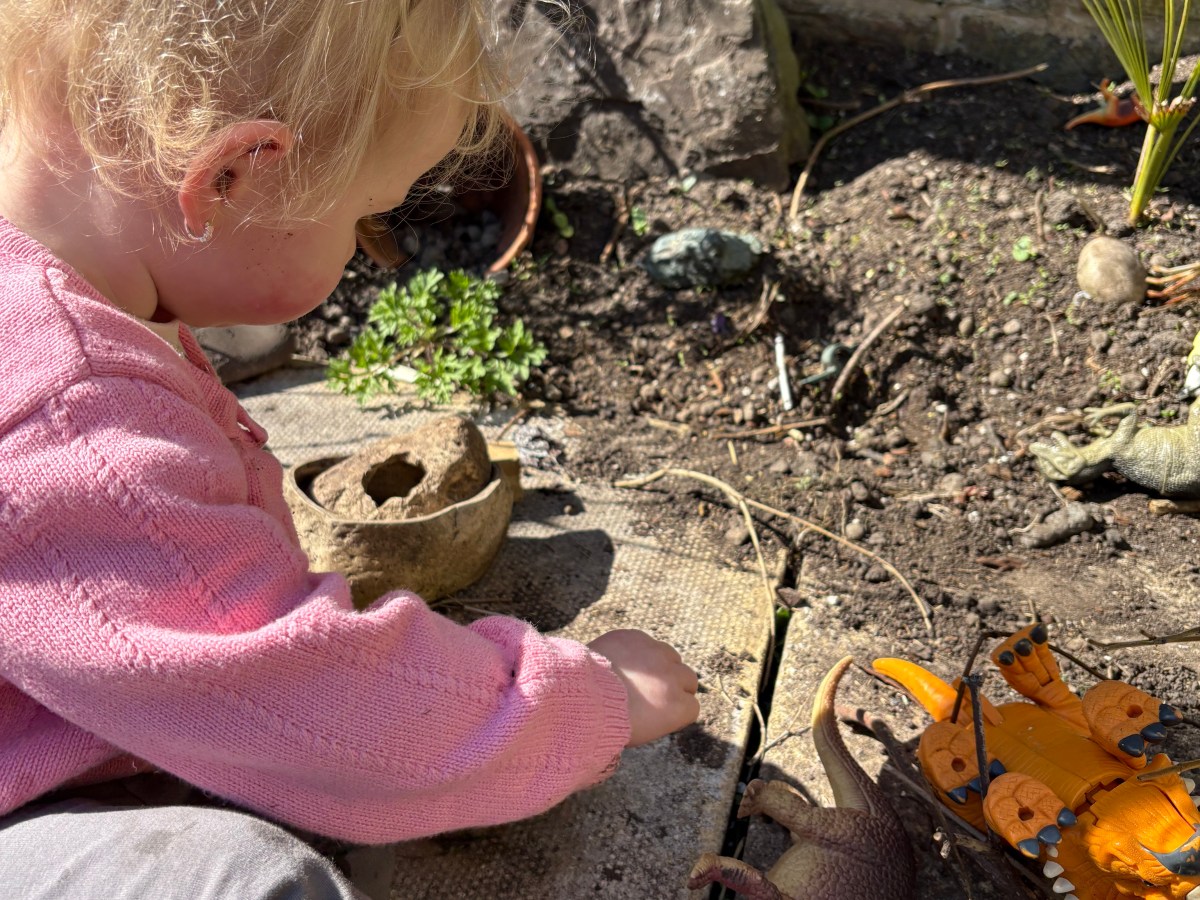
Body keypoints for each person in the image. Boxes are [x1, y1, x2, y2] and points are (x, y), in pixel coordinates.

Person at [0, 2, 700, 897]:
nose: (373, 253)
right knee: (238, 882)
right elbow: (304, 696)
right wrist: (585, 701)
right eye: (369, 217)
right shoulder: (75, 429)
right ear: (231, 177)